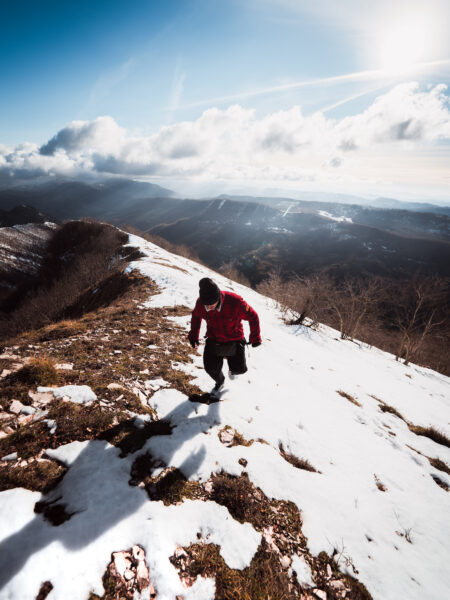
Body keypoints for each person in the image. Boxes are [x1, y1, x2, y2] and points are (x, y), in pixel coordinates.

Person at [188, 277, 262, 393]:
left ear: (218, 297)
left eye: (212, 304)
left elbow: (253, 316)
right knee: (210, 368)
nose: (209, 307)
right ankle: (220, 381)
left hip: (235, 338)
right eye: (206, 305)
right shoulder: (201, 304)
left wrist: (255, 337)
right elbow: (196, 317)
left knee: (240, 369)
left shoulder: (235, 302)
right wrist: (193, 336)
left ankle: (233, 370)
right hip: (213, 338)